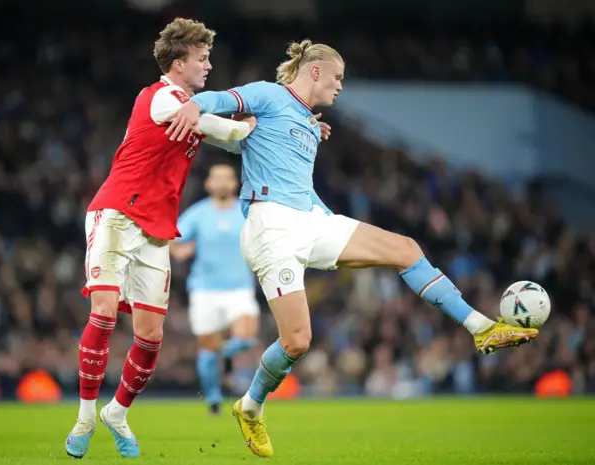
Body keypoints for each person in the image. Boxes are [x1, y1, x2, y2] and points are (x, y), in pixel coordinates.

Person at [164, 39, 539, 458]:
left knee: (406, 249)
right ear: (317, 72)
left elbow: (300, 182)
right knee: (297, 341)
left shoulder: (309, 122)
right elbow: (223, 99)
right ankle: (250, 406)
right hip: (270, 227)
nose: (341, 86)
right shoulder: (270, 95)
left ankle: (481, 328)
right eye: (338, 77)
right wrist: (195, 107)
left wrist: (311, 142)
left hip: (311, 218)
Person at [64, 18, 256, 459]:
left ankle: (118, 412)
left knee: (151, 337)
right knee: (106, 312)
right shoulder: (160, 98)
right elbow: (226, 131)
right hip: (116, 213)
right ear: (178, 62)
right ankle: (85, 415)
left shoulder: (190, 106)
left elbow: (228, 139)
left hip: (156, 228)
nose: (209, 65)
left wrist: (284, 131)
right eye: (202, 58)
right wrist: (249, 121)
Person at [172, 161, 260, 415]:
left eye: (227, 178)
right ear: (208, 184)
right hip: (204, 290)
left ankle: (228, 353)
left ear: (235, 183)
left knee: (246, 337)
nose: (222, 183)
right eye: (217, 178)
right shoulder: (198, 214)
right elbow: (171, 237)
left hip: (239, 288)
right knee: (207, 351)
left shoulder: (246, 213)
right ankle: (212, 398)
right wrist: (179, 249)